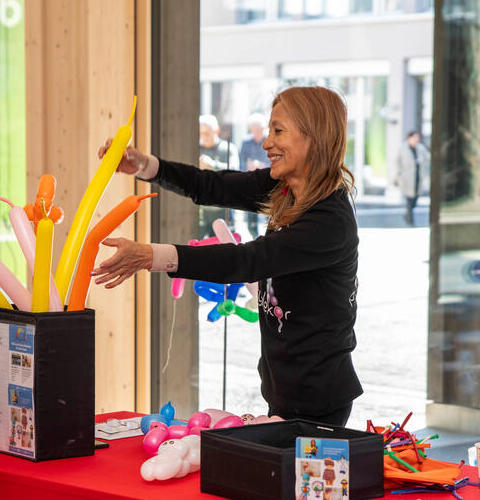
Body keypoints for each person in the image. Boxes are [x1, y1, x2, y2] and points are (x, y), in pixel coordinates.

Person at [94, 86, 362, 426]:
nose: (266, 143)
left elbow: (247, 261)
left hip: (319, 399)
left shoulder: (329, 219)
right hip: (285, 390)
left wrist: (151, 256)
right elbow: (212, 185)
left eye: (278, 131)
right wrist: (146, 166)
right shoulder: (287, 188)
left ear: (315, 138)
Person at [238, 112, 271, 239]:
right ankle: (255, 239)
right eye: (253, 129)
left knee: (269, 215)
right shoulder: (246, 142)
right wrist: (247, 166)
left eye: (259, 129)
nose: (256, 132)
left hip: (268, 181)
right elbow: (240, 161)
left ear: (264, 129)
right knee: (251, 217)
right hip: (251, 181)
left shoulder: (269, 140)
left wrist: (264, 166)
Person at [394, 130, 430, 226]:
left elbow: (428, 158)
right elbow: (397, 163)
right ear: (409, 138)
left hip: (418, 177)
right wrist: (398, 176)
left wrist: (422, 162)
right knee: (409, 199)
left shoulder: (420, 148)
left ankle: (407, 216)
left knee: (415, 199)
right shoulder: (403, 149)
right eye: (414, 137)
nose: (416, 139)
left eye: (417, 138)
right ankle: (410, 220)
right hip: (406, 178)